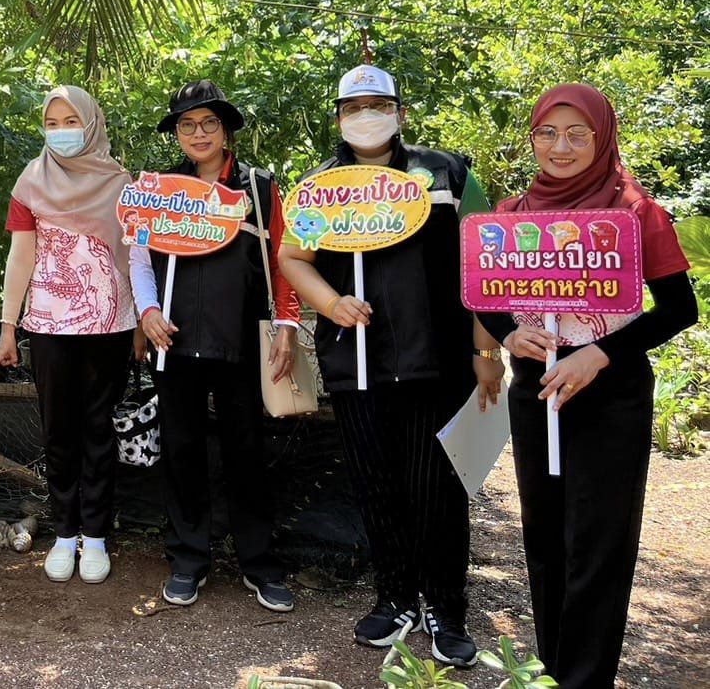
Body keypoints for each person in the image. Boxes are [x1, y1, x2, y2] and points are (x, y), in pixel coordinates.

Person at [475, 85, 697, 689]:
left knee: (598, 544)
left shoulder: (634, 212)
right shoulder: (512, 215)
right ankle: (552, 671)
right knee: (545, 538)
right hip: (537, 388)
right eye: (547, 133)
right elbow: (481, 293)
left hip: (610, 391)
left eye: (578, 134)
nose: (561, 147)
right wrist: (509, 333)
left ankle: (584, 680)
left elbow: (680, 308)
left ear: (603, 138)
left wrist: (598, 354)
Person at [277, 64, 494, 668]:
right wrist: (331, 303)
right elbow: (294, 258)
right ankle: (394, 597)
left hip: (438, 359)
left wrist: (486, 350)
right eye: (354, 106)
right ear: (340, 117)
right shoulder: (319, 187)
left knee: (439, 489)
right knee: (376, 484)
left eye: (378, 103)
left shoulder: (448, 173)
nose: (366, 115)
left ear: (399, 111)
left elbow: (489, 259)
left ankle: (446, 609)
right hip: (357, 362)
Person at [129, 81, 301, 612]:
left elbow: (285, 261)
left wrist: (289, 324)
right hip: (172, 340)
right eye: (187, 125)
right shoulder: (156, 188)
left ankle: (259, 563)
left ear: (225, 130)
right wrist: (148, 312)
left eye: (208, 123)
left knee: (247, 450)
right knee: (180, 449)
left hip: (242, 340)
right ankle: (187, 560)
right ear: (176, 133)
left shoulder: (261, 187)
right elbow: (138, 256)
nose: (198, 133)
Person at [0, 86, 136, 585]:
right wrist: (9, 326)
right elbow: (21, 257)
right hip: (48, 326)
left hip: (111, 324)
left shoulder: (122, 183)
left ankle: (95, 536)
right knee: (59, 431)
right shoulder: (32, 181)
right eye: (52, 123)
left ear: (92, 122)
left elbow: (134, 256)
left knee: (99, 428)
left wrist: (141, 316)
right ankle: (65, 533)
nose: (61, 131)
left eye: (71, 120)